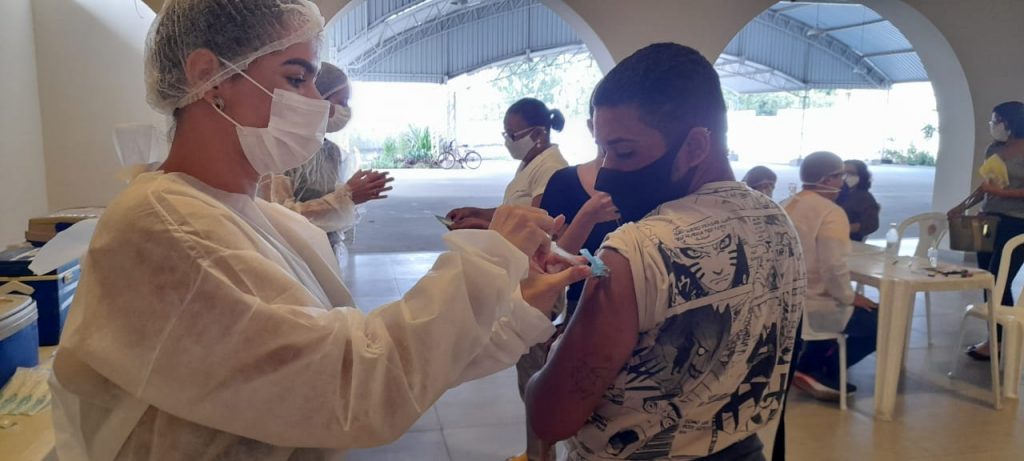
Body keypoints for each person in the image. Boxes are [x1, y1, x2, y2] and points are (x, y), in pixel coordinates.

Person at [48, 1, 591, 459]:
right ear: (207, 76)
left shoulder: (259, 217)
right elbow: (350, 385)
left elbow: (386, 358)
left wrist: (518, 307)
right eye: (295, 78)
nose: (316, 103)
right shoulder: (161, 225)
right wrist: (489, 260)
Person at [525, 43, 804, 461]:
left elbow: (550, 418)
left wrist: (547, 349)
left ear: (695, 146)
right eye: (603, 151)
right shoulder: (776, 219)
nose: (606, 172)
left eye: (624, 152)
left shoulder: (632, 252)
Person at [261, 62, 393, 262]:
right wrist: (346, 197)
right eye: (342, 102)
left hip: (326, 253)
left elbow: (335, 216)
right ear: (318, 98)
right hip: (289, 258)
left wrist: (354, 197)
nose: (346, 110)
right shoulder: (281, 148)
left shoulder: (333, 152)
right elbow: (279, 217)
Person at [782, 151, 879, 400]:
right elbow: (833, 267)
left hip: (784, 303)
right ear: (826, 180)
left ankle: (810, 365)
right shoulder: (830, 213)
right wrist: (850, 297)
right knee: (881, 321)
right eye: (840, 176)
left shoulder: (785, 205)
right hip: (816, 303)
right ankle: (821, 370)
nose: (843, 183)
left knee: (845, 312)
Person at [954, 101, 1024, 361]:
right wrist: (963, 206)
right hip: (988, 219)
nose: (993, 125)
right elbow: (986, 186)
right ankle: (996, 338)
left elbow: (1001, 190)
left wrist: (1001, 193)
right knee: (986, 279)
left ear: (1011, 122)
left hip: (1017, 223)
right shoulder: (993, 149)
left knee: (999, 278)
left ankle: (1002, 339)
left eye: (996, 120)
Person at [446, 98, 569, 229]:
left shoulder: (551, 168)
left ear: (538, 133)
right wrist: (474, 213)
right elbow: (511, 213)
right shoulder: (530, 161)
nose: (507, 141)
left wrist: (481, 225)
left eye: (512, 135)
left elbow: (539, 227)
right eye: (506, 134)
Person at [836, 159, 880, 242]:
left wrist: (843, 228)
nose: (846, 176)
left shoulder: (865, 198)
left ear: (861, 176)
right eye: (842, 173)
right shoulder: (833, 193)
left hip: (849, 240)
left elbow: (871, 224)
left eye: (851, 173)